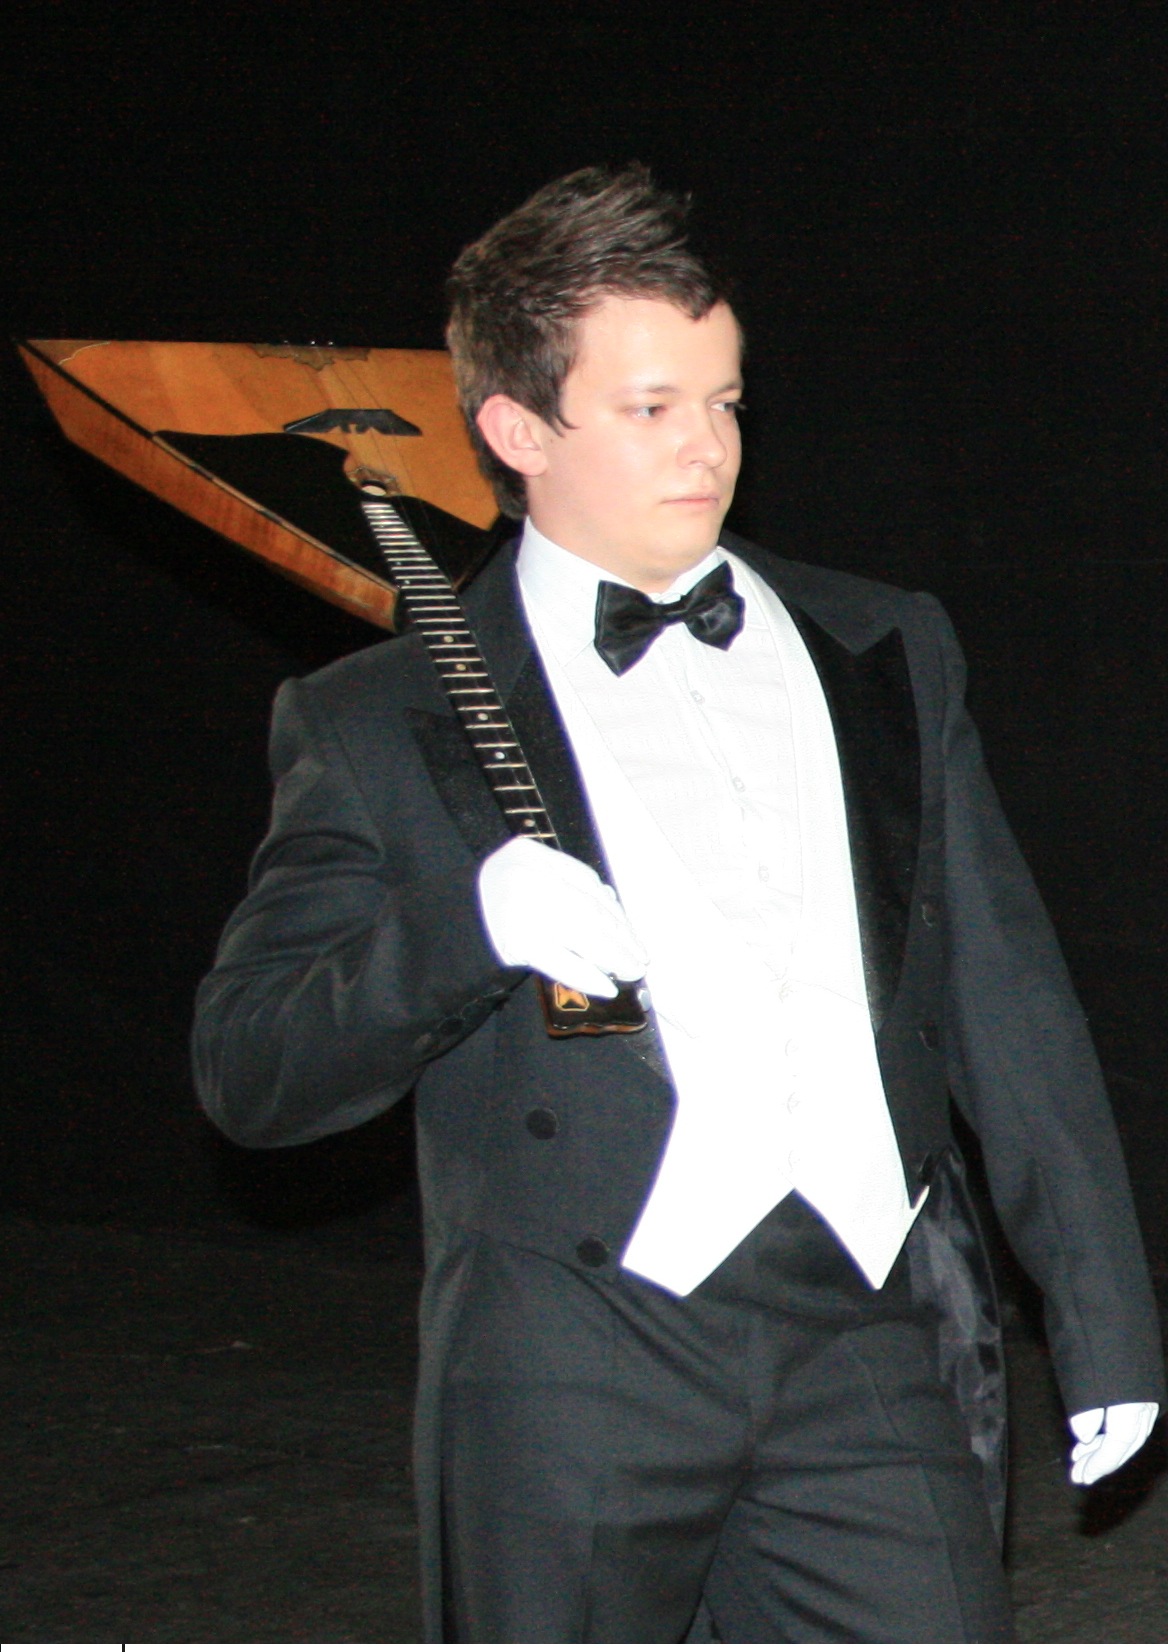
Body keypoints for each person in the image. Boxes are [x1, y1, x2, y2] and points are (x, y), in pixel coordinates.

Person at [194, 165, 1164, 1643]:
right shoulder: (381, 718)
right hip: (576, 1361)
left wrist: (1105, 1318)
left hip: (868, 1335)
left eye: (724, 400)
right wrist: (463, 933)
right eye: (651, 407)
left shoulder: (885, 644)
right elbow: (251, 1071)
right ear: (517, 431)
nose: (708, 445)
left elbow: (1006, 1002)